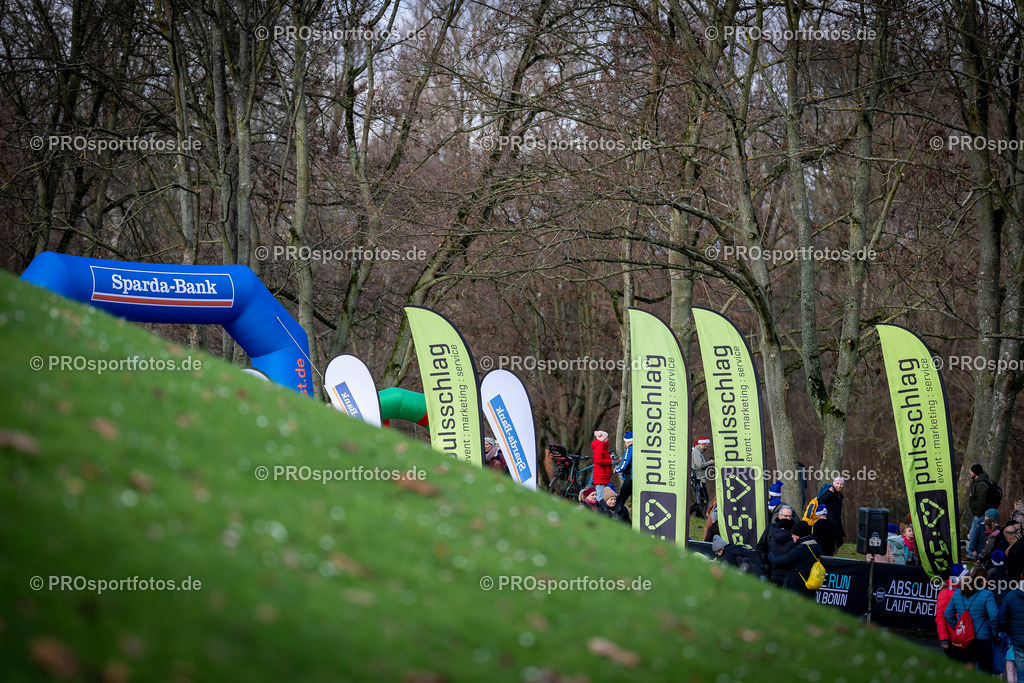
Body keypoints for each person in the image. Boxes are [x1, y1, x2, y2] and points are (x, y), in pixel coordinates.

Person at [946, 565, 999, 672]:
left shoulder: (958, 594)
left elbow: (948, 614)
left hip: (964, 638)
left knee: (967, 671)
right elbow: (994, 615)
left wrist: (958, 627)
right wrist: (994, 632)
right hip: (982, 637)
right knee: (984, 673)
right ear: (984, 580)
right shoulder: (987, 594)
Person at [769, 520, 823, 598]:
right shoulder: (814, 546)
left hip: (797, 590)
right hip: (808, 589)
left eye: (793, 534)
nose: (792, 536)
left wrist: (771, 554)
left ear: (798, 536)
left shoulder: (800, 550)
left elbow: (780, 562)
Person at [937, 563, 968, 659]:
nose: (968, 579)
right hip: (951, 639)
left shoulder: (965, 591)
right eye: (965, 577)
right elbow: (940, 617)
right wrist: (944, 639)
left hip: (963, 637)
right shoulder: (945, 593)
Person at [999, 575, 1024, 682]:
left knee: (1021, 676)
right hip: (1017, 639)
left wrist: (1012, 633)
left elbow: (1002, 619)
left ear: (1021, 576)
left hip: (1018, 641)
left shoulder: (1010, 596)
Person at [968, 463, 995, 560]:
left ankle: (973, 555)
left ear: (975, 473)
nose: (970, 473)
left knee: (976, 536)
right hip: (977, 514)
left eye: (971, 471)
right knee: (972, 534)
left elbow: (981, 501)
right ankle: (971, 553)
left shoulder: (981, 485)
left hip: (980, 515)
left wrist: (978, 513)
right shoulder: (977, 483)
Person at [765, 505, 796, 585]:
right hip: (772, 569)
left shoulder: (795, 529)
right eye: (786, 516)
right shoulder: (771, 528)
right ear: (779, 516)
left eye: (790, 516)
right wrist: (766, 563)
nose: (788, 518)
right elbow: (761, 546)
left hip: (784, 572)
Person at [815, 477, 845, 546]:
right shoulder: (830, 492)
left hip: (836, 521)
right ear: (834, 484)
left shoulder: (839, 496)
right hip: (829, 521)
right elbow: (821, 501)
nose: (839, 486)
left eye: (841, 484)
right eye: (837, 483)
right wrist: (830, 493)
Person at [591, 431, 612, 503]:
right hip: (600, 476)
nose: (608, 439)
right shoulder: (599, 448)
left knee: (602, 495)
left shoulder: (603, 448)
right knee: (600, 496)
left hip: (603, 475)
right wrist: (610, 461)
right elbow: (598, 460)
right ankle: (598, 512)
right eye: (606, 438)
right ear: (603, 439)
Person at [691, 438, 713, 503]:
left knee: (703, 500)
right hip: (698, 480)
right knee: (703, 500)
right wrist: (710, 462)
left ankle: (696, 512)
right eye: (707, 446)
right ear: (703, 444)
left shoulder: (698, 452)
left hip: (700, 479)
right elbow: (700, 465)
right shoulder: (696, 452)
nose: (707, 448)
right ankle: (691, 511)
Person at [615, 431, 633, 506]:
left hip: (630, 477)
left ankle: (618, 516)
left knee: (620, 499)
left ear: (627, 441)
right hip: (637, 477)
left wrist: (617, 469)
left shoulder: (629, 449)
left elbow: (624, 465)